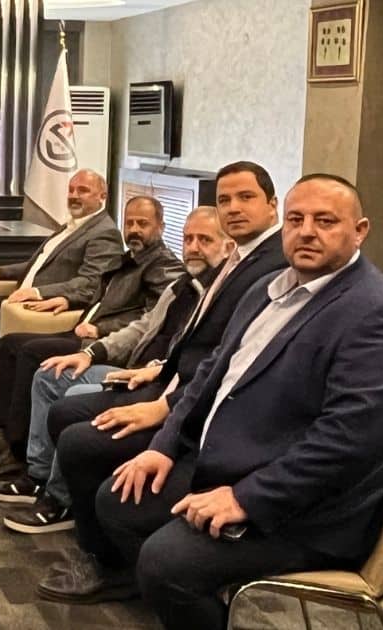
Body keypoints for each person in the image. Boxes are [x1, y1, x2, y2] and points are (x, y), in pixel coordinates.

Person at [96, 174, 383, 630]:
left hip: (308, 509)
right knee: (117, 501)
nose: (307, 231)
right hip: (235, 461)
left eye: (325, 221)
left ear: (360, 230)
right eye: (296, 220)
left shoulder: (379, 314)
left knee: (167, 563)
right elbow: (210, 374)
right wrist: (164, 445)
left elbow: (348, 442)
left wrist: (247, 497)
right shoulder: (269, 288)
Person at [34, 160, 289, 606]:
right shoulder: (239, 258)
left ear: (272, 205)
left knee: (80, 443)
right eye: (225, 199)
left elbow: (228, 363)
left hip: (199, 409)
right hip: (172, 384)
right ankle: (97, 542)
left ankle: (110, 564)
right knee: (65, 412)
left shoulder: (272, 269)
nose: (233, 207)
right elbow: (196, 342)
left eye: (246, 197)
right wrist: (157, 372)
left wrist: (165, 408)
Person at [0, 206, 229, 534]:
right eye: (189, 239)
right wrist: (91, 352)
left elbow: (202, 360)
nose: (194, 247)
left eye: (205, 240)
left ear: (228, 246)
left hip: (156, 382)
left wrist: (148, 365)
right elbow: (142, 326)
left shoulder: (211, 292)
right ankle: (38, 475)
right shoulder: (181, 286)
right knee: (49, 375)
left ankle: (59, 500)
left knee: (73, 392)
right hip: (129, 365)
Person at [0, 195, 183, 482]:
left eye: (142, 224)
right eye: (129, 223)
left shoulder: (163, 267)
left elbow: (152, 320)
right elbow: (94, 289)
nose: (134, 229)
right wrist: (67, 300)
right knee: (10, 343)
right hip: (82, 327)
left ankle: (18, 453)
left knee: (32, 353)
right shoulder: (128, 259)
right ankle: (10, 437)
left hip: (104, 342)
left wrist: (101, 330)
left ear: (161, 227)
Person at [0, 168, 124, 412]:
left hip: (41, 305)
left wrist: (38, 293)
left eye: (83, 191)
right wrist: (0, 271)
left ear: (102, 196)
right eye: (71, 190)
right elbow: (40, 263)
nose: (74, 196)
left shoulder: (104, 233)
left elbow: (91, 282)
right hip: (21, 298)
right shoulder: (72, 225)